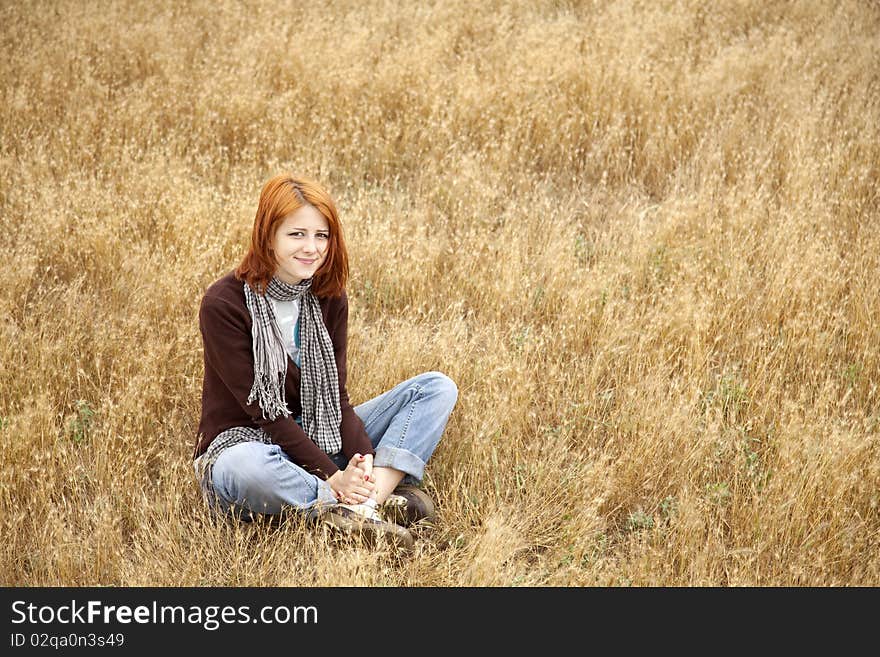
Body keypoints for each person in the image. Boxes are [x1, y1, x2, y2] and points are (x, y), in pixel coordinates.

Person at [192, 173, 458, 550]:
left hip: (321, 430)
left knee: (435, 388)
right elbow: (264, 414)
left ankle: (365, 505)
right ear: (268, 235)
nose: (312, 248)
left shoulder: (328, 296)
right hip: (247, 441)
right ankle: (355, 503)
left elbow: (338, 398)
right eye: (296, 234)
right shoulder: (225, 304)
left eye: (322, 235)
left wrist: (361, 461)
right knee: (246, 471)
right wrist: (334, 475)